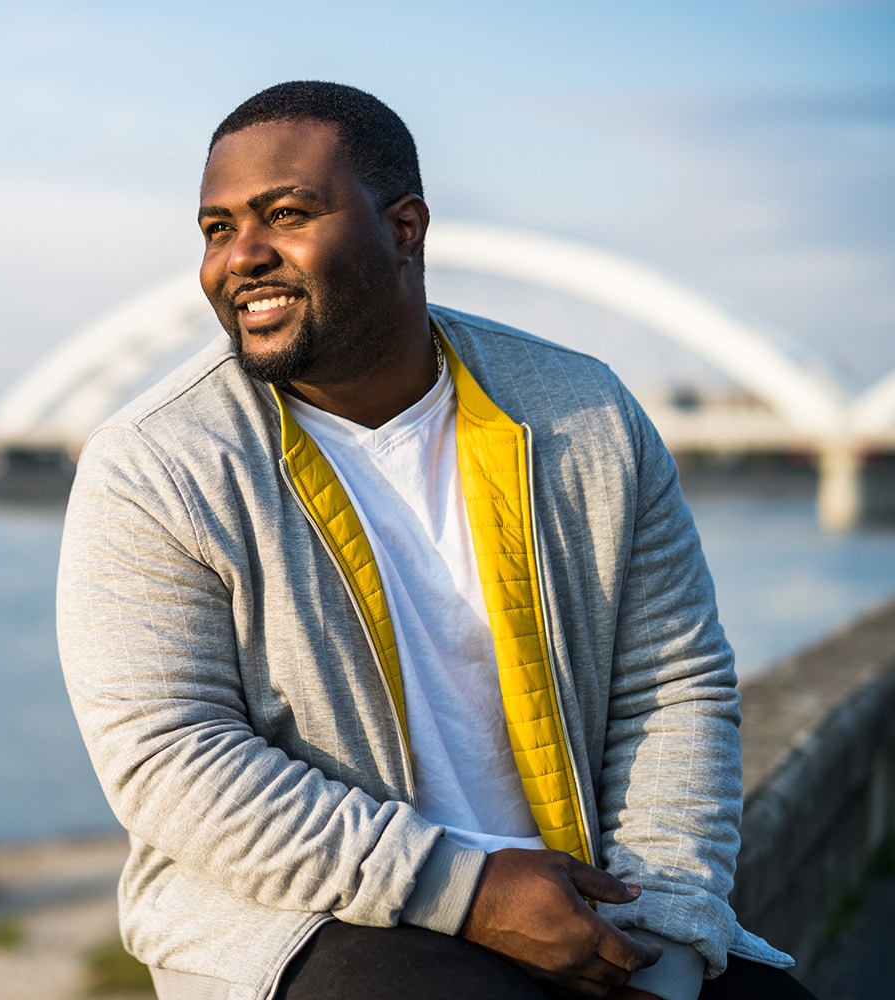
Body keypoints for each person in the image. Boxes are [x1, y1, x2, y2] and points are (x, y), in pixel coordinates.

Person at [57, 81, 814, 1000]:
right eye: (217, 229)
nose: (240, 258)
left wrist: (663, 924)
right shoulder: (157, 464)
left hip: (589, 904)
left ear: (406, 227)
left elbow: (673, 683)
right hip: (310, 923)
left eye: (285, 214)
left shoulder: (584, 413)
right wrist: (466, 889)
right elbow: (170, 756)